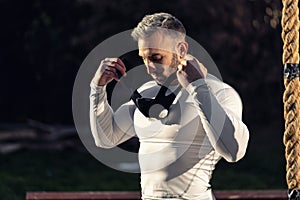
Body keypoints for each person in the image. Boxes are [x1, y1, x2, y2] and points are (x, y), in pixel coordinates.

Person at [90, 12, 249, 200]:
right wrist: (97, 89)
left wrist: (198, 87)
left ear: (181, 49)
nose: (149, 68)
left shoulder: (218, 92)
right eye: (144, 59)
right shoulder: (146, 92)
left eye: (156, 58)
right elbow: (105, 139)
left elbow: (234, 151)